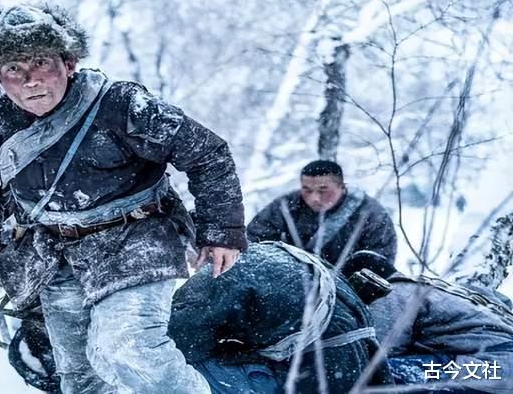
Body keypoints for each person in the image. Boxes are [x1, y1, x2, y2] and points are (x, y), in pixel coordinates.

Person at [0, 3, 247, 393]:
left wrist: (222, 232)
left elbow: (207, 154)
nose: (30, 80)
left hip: (137, 239)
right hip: (54, 251)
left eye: (41, 62)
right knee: (78, 374)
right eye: (13, 68)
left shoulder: (121, 105)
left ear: (69, 62)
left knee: (128, 348)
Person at [168, 241, 394, 394]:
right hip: (356, 367)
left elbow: (174, 341)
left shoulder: (221, 272)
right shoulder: (274, 253)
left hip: (317, 373)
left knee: (176, 369)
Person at [342, 251, 513, 393]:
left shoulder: (392, 291)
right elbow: (503, 301)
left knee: (377, 377)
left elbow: (380, 351)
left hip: (491, 368)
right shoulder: (439, 286)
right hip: (500, 366)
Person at [247, 160, 397, 266]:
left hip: (348, 289)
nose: (314, 198)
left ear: (342, 187)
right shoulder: (286, 206)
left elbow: (380, 261)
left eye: (323, 190)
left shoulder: (370, 213)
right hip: (292, 282)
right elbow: (255, 239)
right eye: (307, 189)